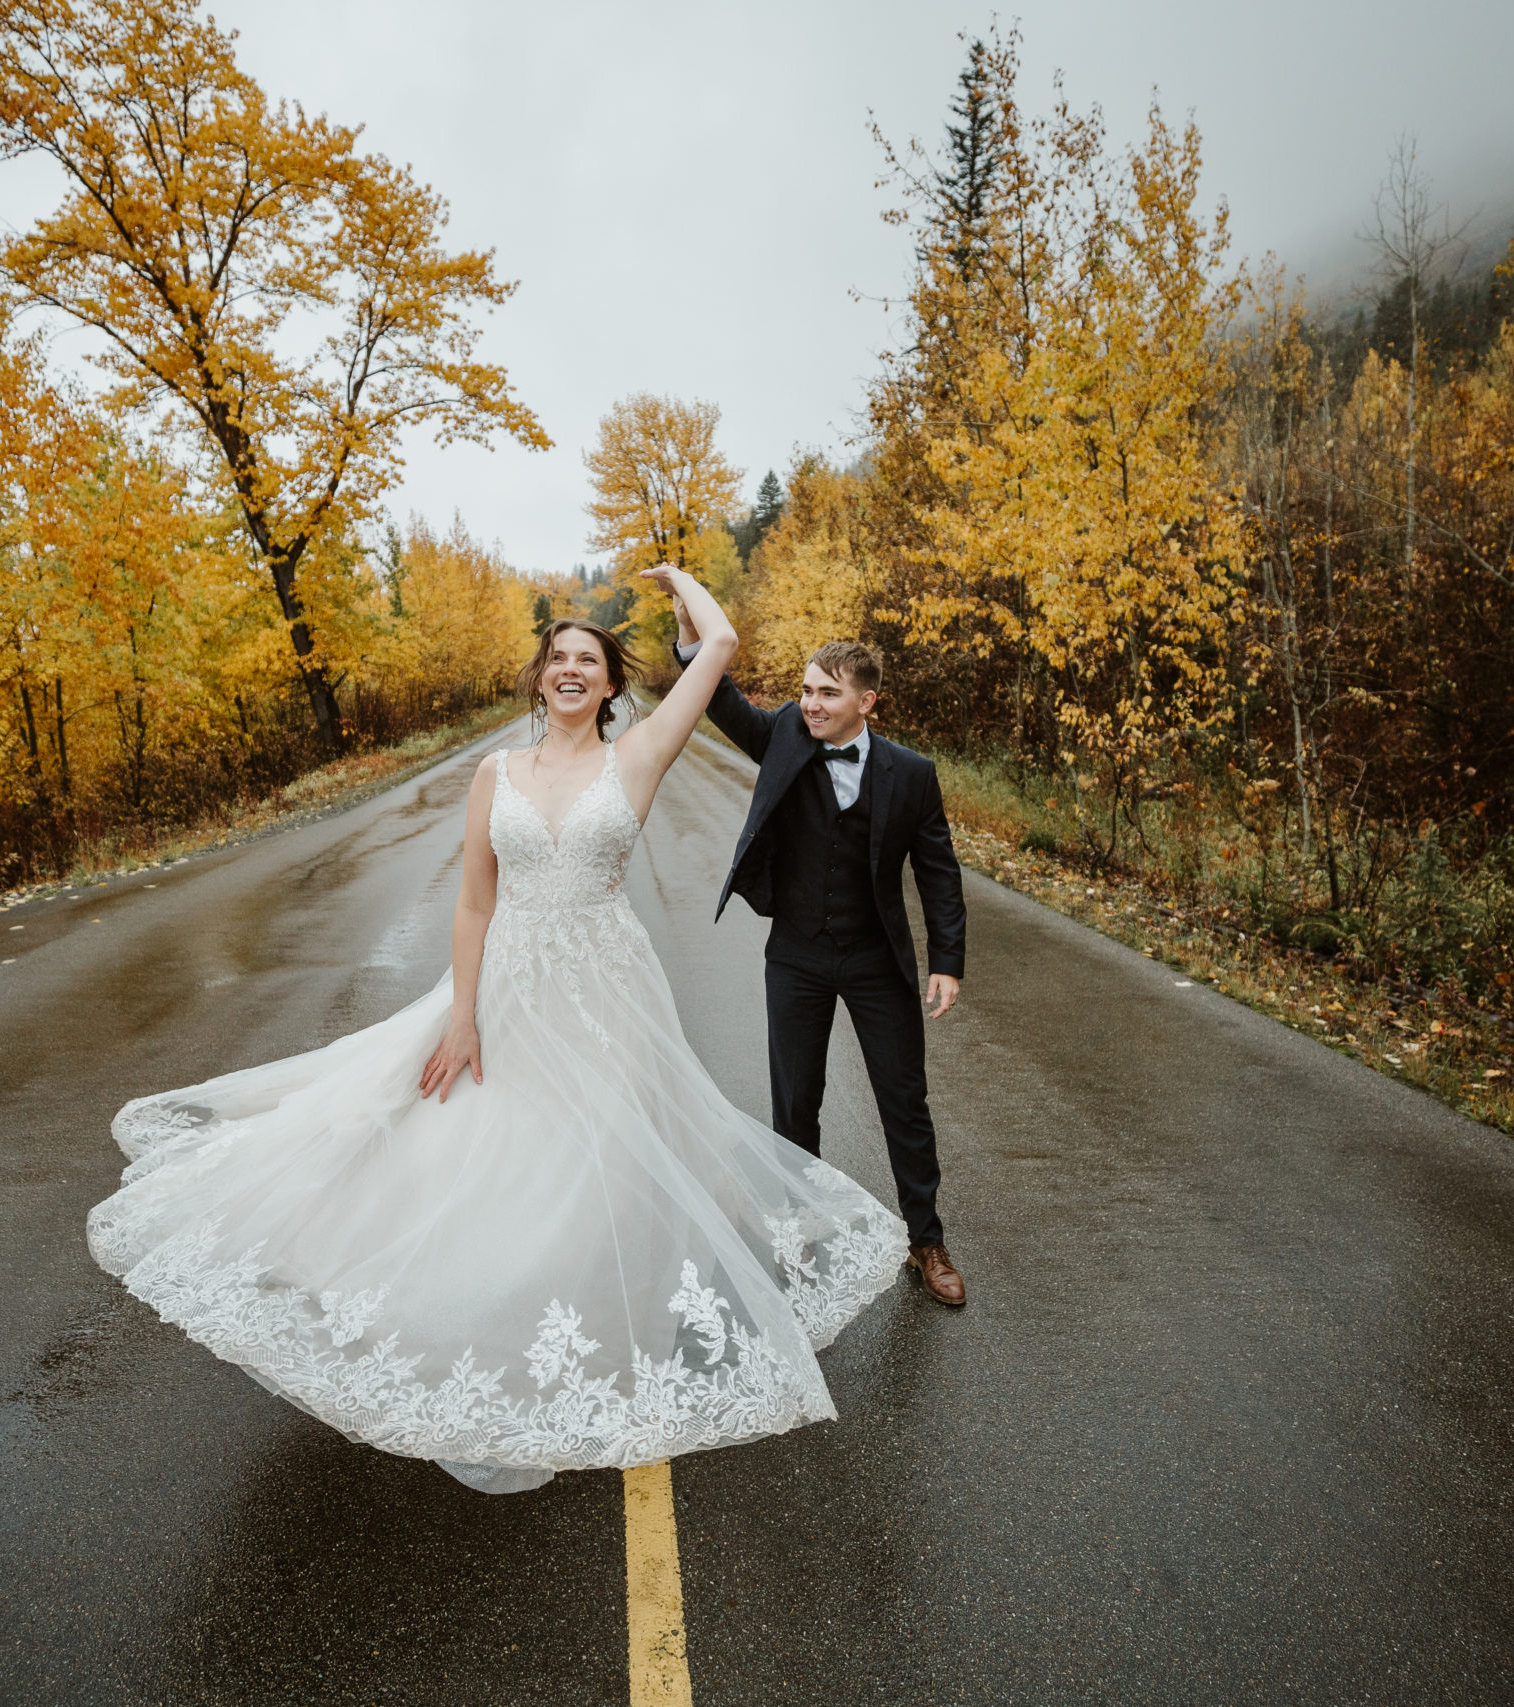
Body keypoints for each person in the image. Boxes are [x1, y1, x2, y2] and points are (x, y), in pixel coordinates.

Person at [86, 567, 906, 1495]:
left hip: (606, 990)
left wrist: (683, 586)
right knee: (479, 1146)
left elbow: (718, 649)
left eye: (586, 661)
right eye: (556, 658)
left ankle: (599, 1305)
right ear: (538, 677)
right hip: (507, 985)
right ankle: (475, 1304)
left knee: (595, 1154)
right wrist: (464, 1015)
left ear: (609, 684)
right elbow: (475, 902)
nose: (568, 671)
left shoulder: (634, 756)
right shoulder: (494, 773)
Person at [669, 614, 970, 1306]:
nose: (810, 704)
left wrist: (946, 960)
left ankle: (926, 1240)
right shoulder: (781, 735)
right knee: (795, 1105)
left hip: (875, 959)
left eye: (827, 693)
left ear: (867, 702)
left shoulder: (912, 775)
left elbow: (939, 873)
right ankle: (797, 1228)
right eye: (805, 689)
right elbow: (720, 697)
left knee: (905, 1101)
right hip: (797, 955)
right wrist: (690, 631)